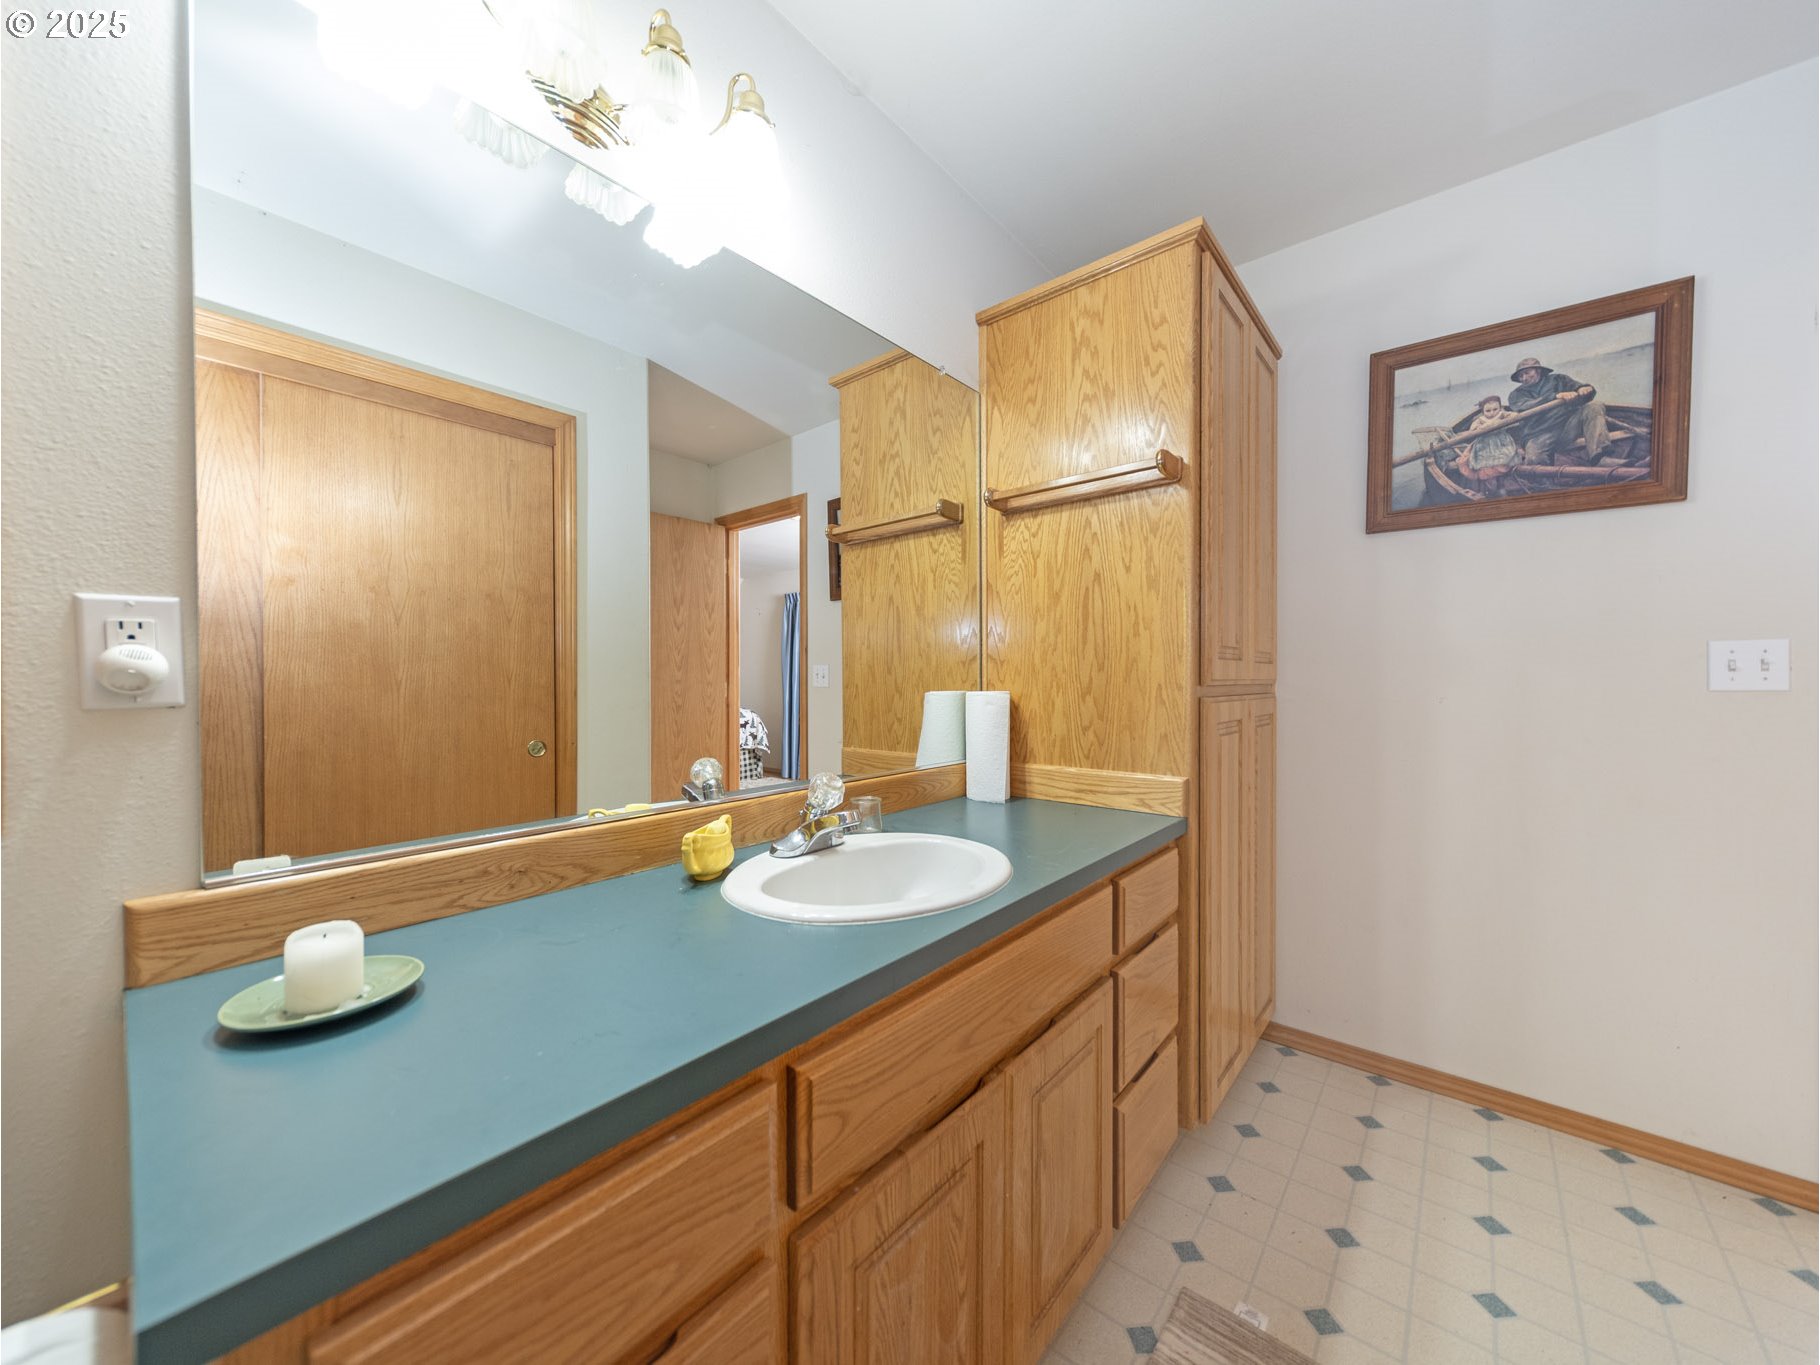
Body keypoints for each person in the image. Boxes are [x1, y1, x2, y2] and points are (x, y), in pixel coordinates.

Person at [1506, 357, 1610, 466]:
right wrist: (1555, 396)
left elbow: (1583, 392)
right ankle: (1546, 482)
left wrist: (1584, 389)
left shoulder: (1559, 379)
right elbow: (1526, 406)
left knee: (1594, 406)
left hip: (1567, 428)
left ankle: (1599, 458)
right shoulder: (1516, 395)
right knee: (1533, 459)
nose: (1524, 378)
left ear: (1538, 371)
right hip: (1538, 435)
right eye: (1521, 376)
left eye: (1527, 373)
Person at [1454, 394, 1519, 492]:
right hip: (1484, 445)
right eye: (1488, 411)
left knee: (1504, 461)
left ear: (1500, 408)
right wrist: (1480, 427)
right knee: (1484, 464)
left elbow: (1516, 416)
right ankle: (1491, 487)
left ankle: (1501, 484)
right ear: (1483, 411)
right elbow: (1473, 428)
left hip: (1501, 443)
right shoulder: (1480, 420)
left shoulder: (1503, 414)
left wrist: (1505, 418)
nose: (1492, 413)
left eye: (1495, 409)